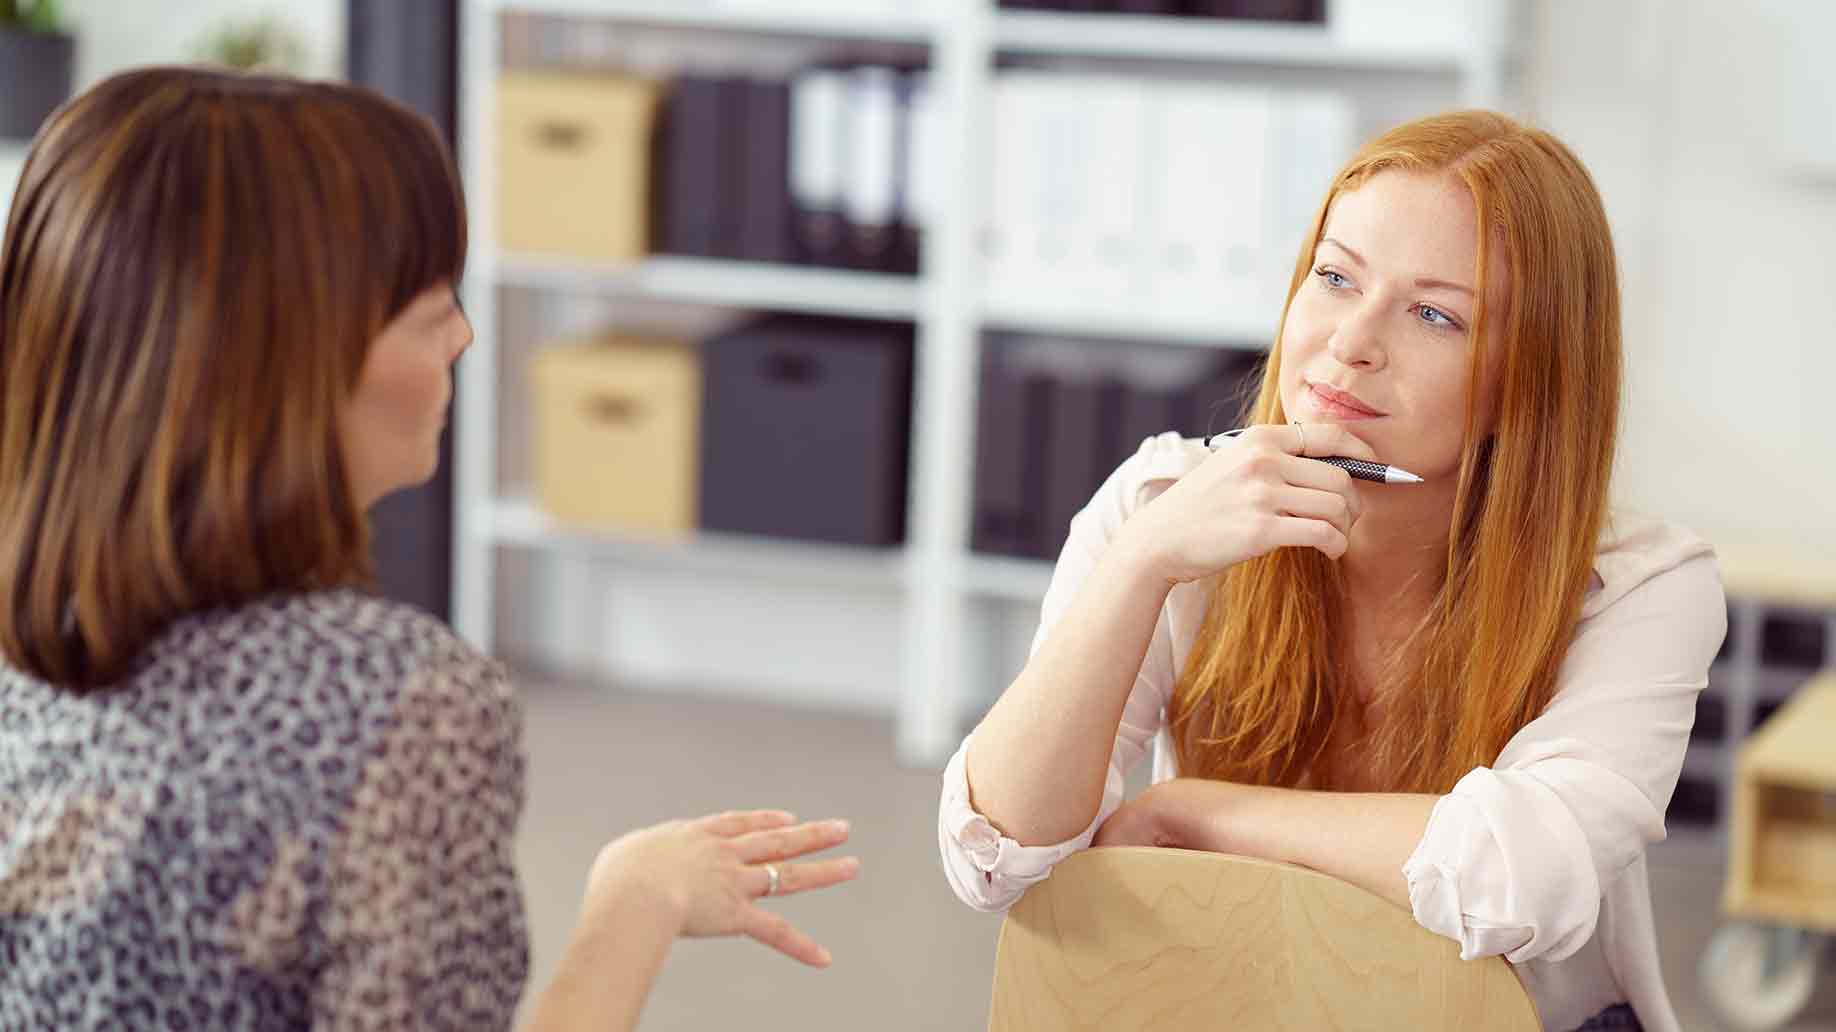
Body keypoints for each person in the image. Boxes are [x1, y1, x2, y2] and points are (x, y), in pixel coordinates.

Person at [0, 66, 858, 1031]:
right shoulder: (401, 708)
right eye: (426, 309)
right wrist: (637, 900)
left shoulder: (27, 657)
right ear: (284, 379)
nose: (462, 336)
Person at [938, 110, 1723, 1032]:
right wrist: (1142, 562)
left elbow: (1526, 881)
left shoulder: (1643, 585)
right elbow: (993, 855)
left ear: (1532, 376)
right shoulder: (1164, 504)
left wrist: (1197, 814)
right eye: (1335, 276)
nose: (1352, 340)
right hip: (1248, 986)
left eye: (1435, 314)